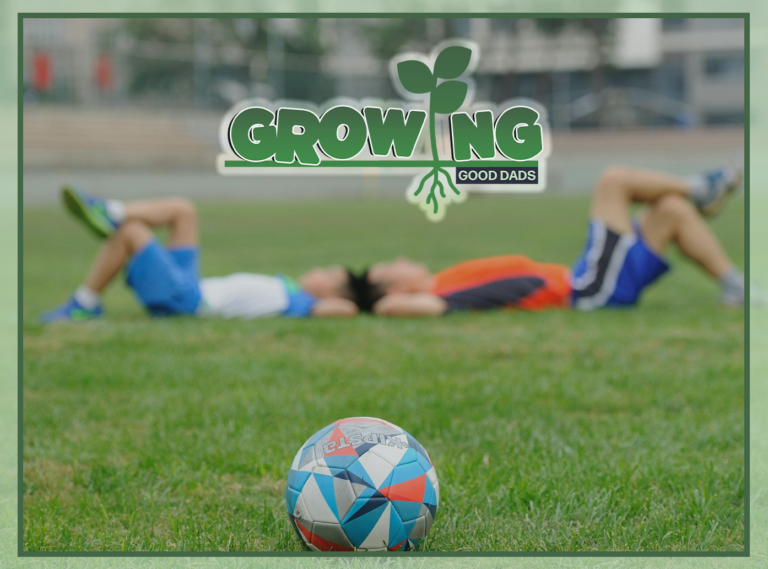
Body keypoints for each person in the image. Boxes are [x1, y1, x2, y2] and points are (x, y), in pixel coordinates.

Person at [362, 164, 749, 316]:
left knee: (670, 211)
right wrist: (375, 302)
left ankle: (736, 288)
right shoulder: (441, 294)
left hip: (588, 278)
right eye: (392, 267)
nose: (400, 257)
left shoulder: (443, 280)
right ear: (395, 286)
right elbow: (393, 307)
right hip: (588, 289)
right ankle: (700, 188)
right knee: (613, 181)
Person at [40, 188, 359, 322]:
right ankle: (111, 210)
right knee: (184, 211)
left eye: (328, 275)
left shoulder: (307, 304)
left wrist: (367, 294)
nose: (319, 269)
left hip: (188, 302)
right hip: (191, 284)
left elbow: (347, 310)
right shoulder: (290, 287)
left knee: (133, 232)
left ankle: (84, 305)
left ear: (330, 293)